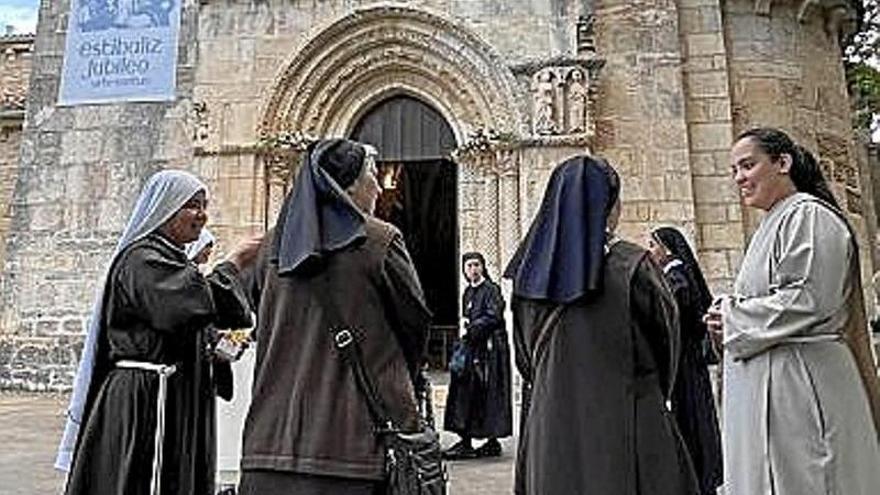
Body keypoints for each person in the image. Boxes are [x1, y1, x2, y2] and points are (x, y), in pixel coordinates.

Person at [237, 139, 432, 495]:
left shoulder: (271, 247)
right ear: (350, 186)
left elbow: (253, 314)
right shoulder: (379, 241)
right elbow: (414, 325)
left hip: (268, 445)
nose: (379, 187)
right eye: (373, 175)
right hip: (353, 444)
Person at [56, 170, 261, 495]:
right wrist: (234, 263)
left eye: (204, 205)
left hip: (173, 393)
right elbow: (184, 307)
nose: (202, 215)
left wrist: (215, 350)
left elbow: (196, 319)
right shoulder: (142, 259)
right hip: (147, 398)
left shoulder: (169, 258)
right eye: (192, 205)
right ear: (166, 208)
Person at [505, 156, 698, 494]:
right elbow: (666, 343)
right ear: (609, 205)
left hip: (551, 428)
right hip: (631, 422)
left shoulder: (528, 273)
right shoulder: (633, 265)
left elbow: (525, 358)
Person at [704, 127, 880, 495]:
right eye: (734, 170)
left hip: (802, 385)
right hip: (775, 385)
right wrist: (725, 315)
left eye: (748, 165)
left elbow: (809, 298)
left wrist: (733, 318)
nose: (739, 178)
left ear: (782, 163)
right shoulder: (773, 222)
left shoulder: (809, 216)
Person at [647, 227, 723, 495]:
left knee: (689, 420)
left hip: (683, 362)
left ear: (667, 249)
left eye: (653, 245)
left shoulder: (677, 279)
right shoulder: (675, 276)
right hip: (685, 360)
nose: (650, 251)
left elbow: (671, 320)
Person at [443, 252, 512, 459]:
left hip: (489, 354)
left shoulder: (491, 290)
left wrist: (472, 327)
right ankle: (466, 440)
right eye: (469, 266)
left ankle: (491, 442)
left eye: (476, 265)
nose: (473, 270)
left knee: (488, 395)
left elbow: (494, 316)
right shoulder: (467, 293)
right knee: (466, 394)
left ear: (483, 267)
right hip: (473, 351)